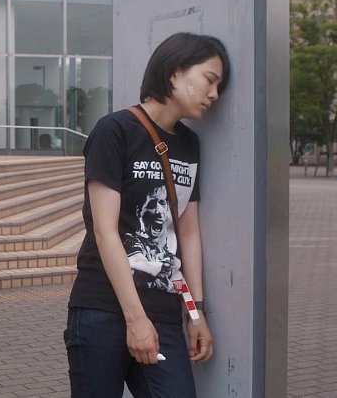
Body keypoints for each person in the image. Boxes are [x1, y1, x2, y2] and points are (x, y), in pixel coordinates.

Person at [64, 32, 231, 398]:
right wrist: (135, 318)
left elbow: (188, 232)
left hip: (163, 310)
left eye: (219, 86)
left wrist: (196, 314)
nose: (214, 94)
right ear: (175, 72)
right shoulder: (115, 131)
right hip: (103, 308)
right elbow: (105, 231)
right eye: (209, 80)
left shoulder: (189, 143)